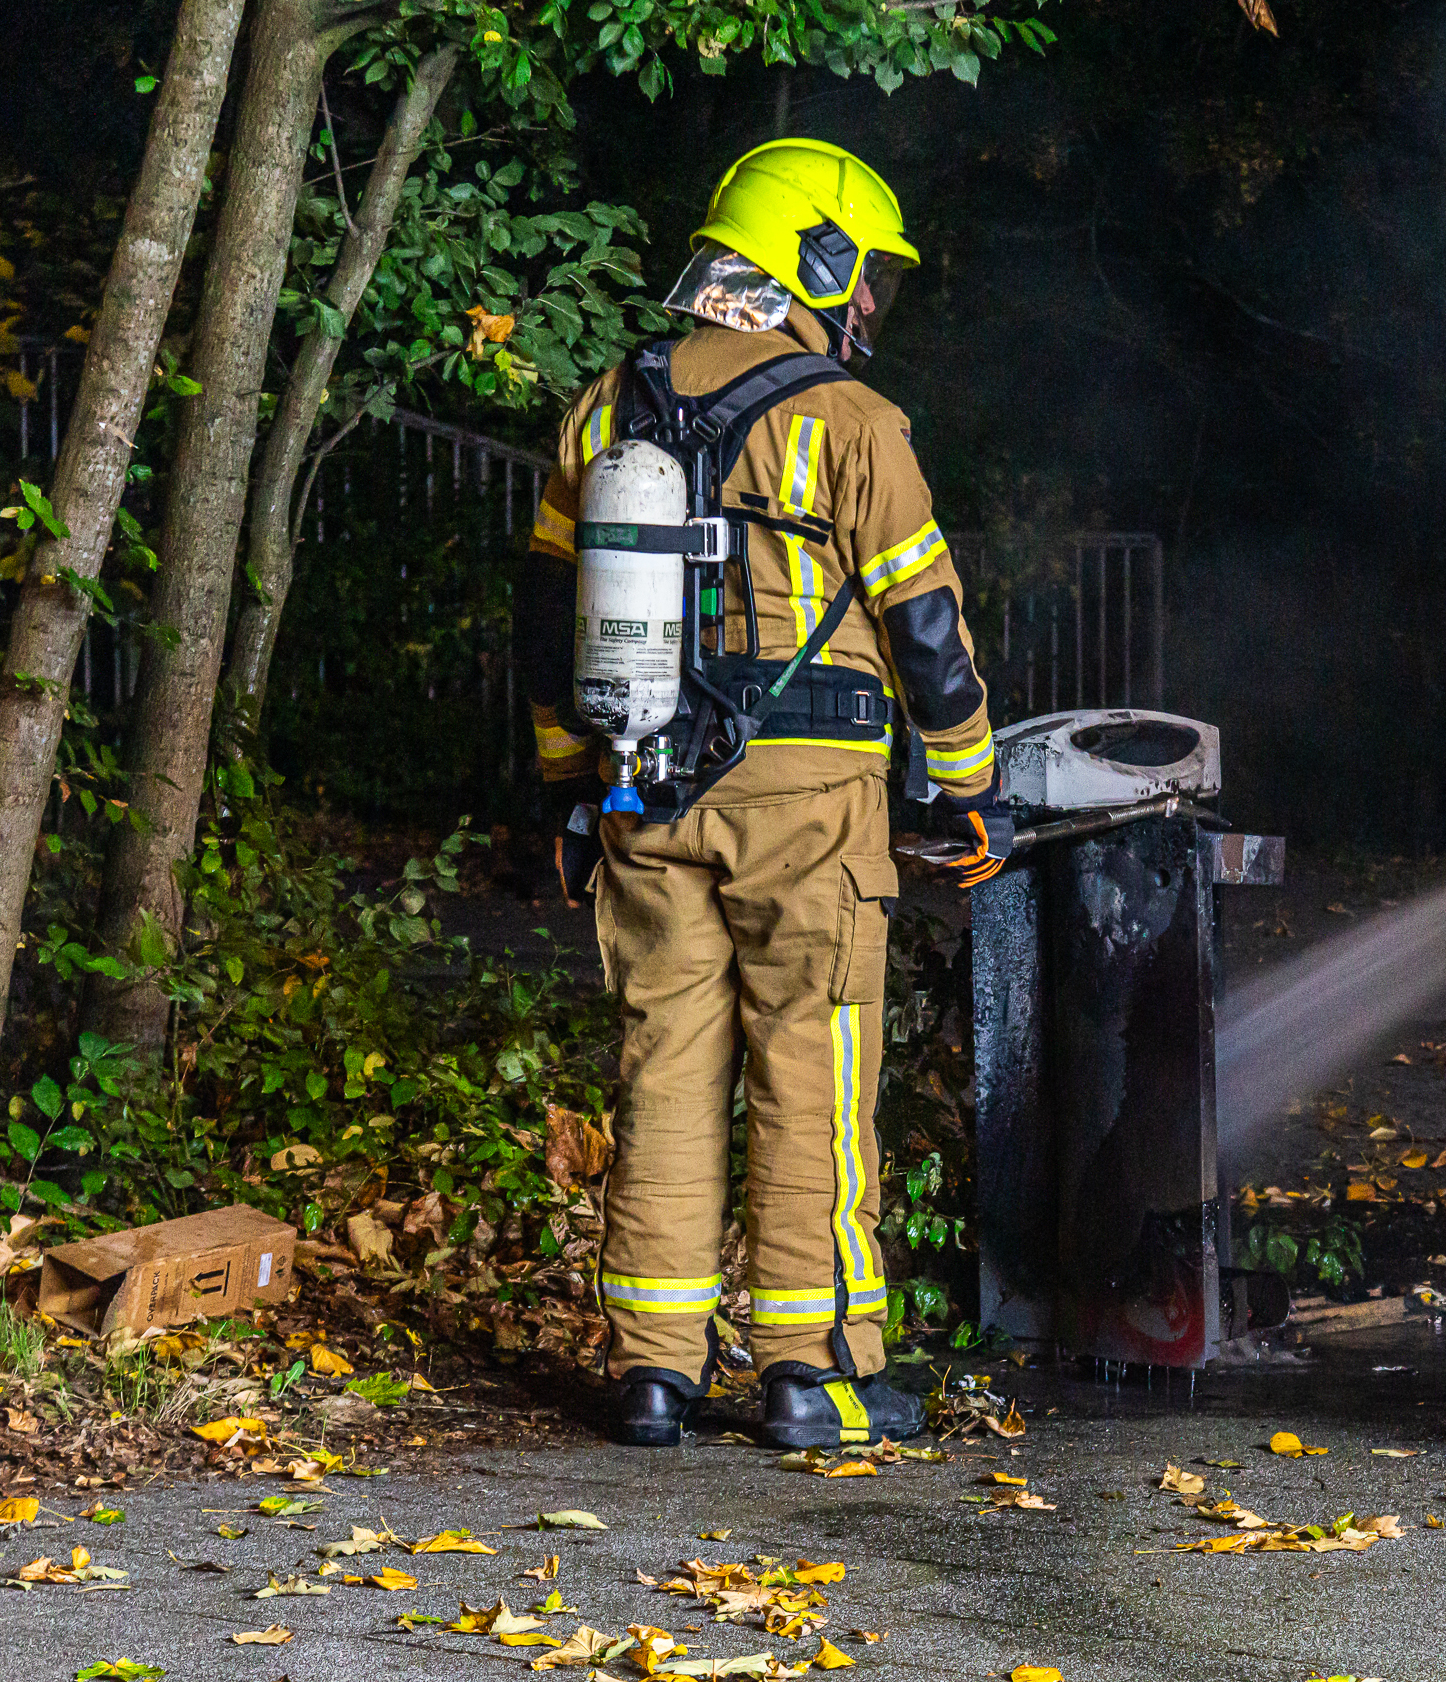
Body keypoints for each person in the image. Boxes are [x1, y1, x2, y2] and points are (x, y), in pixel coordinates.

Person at [516, 139, 1010, 1450]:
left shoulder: (600, 409)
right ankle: (815, 1372)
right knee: (815, 1065)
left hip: (642, 789)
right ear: (820, 261)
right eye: (867, 278)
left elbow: (541, 624)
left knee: (665, 1070)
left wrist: (568, 791)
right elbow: (928, 636)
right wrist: (971, 789)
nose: (867, 309)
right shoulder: (852, 424)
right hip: (811, 805)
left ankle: (653, 1374)